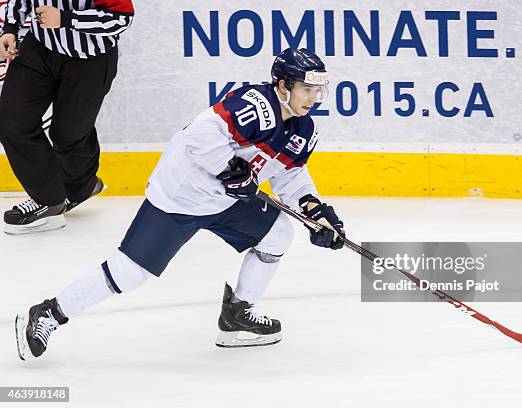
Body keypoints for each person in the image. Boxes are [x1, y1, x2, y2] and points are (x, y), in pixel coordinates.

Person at [15, 48, 346, 359]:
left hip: (225, 200)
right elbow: (198, 136)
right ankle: (50, 312)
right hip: (181, 197)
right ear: (282, 85)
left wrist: (318, 215)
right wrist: (231, 169)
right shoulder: (254, 104)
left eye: (318, 91)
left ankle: (237, 314)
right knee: (129, 274)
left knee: (278, 234)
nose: (314, 98)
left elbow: (290, 178)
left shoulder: (303, 128)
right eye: (306, 89)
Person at [0, 0, 135, 234]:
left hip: (90, 60)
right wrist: (10, 28)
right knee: (11, 121)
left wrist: (68, 19)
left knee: (68, 134)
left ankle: (81, 186)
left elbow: (121, 18)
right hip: (39, 50)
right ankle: (48, 200)